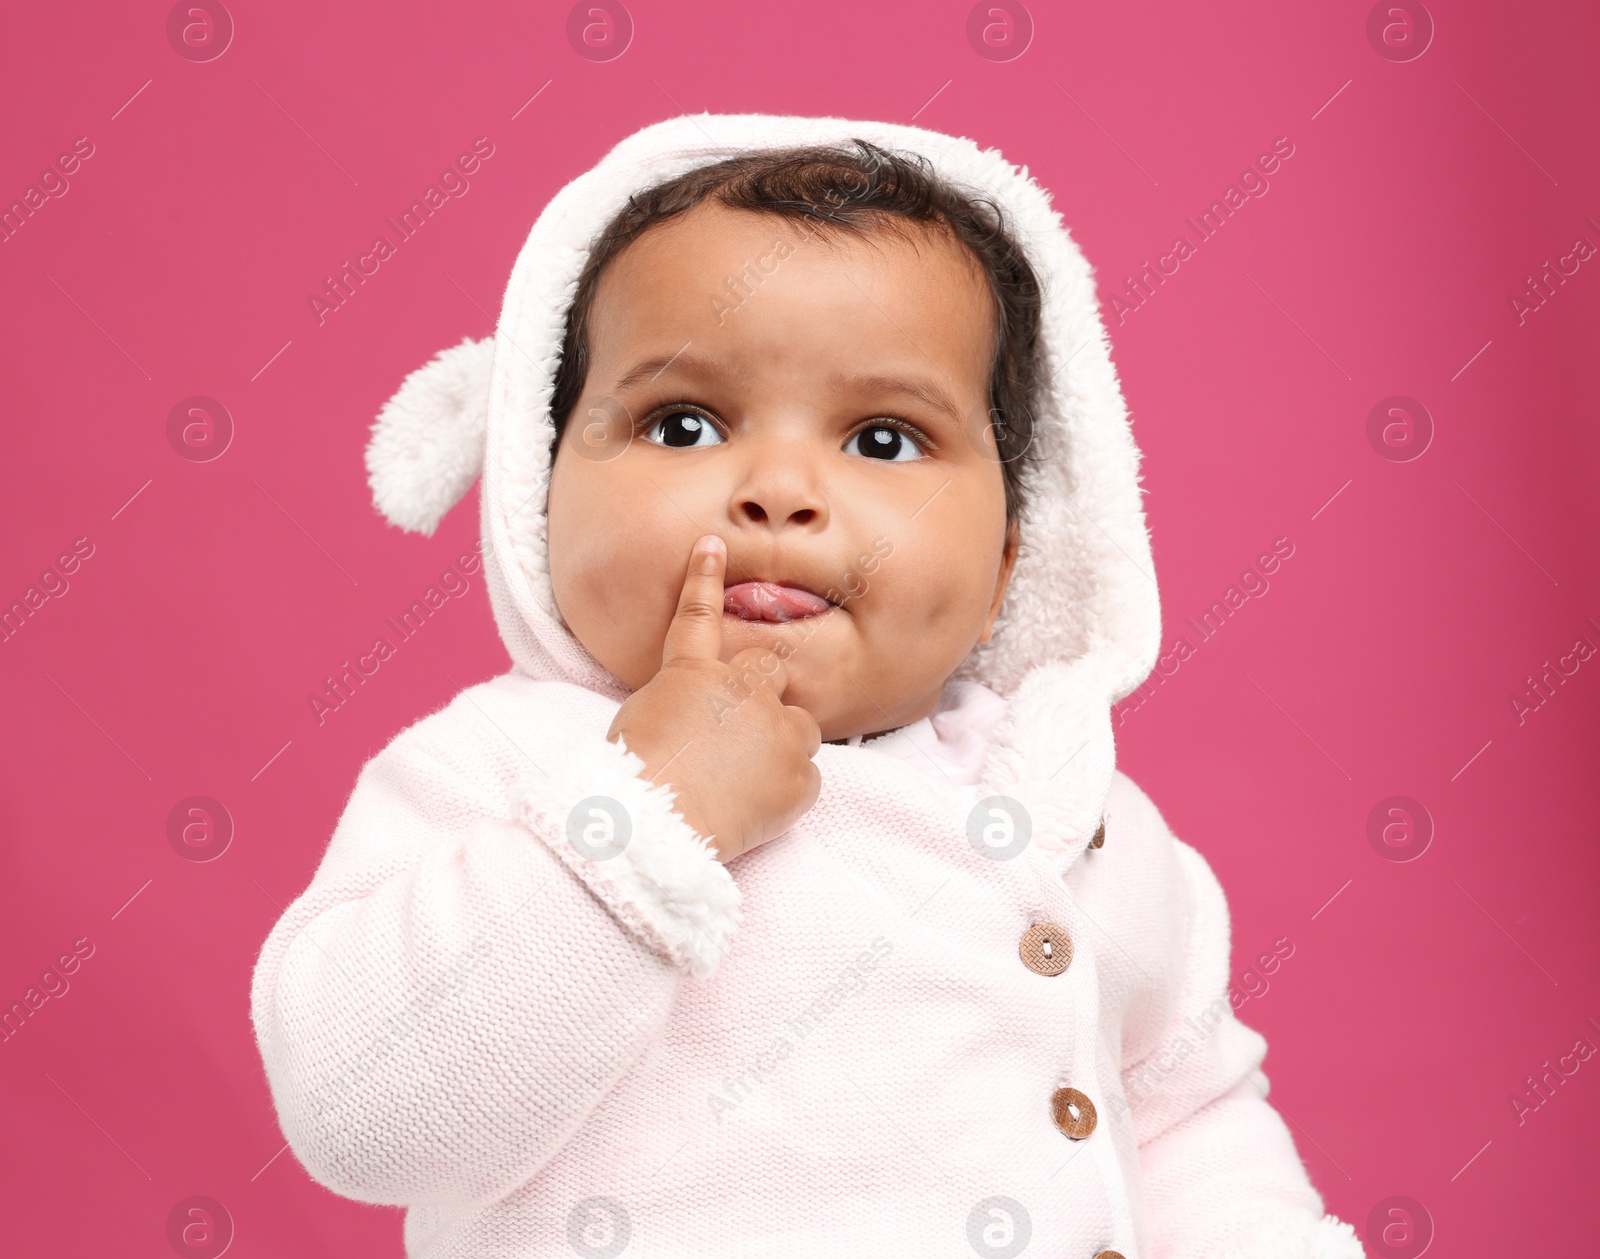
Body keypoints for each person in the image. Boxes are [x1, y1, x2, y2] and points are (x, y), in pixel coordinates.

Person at [250, 112, 1366, 1258]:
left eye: (882, 439)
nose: (779, 488)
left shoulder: (1071, 811)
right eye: (682, 423)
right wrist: (642, 811)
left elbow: (1187, 1119)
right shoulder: (505, 766)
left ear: (1008, 560)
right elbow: (362, 1115)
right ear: (535, 493)